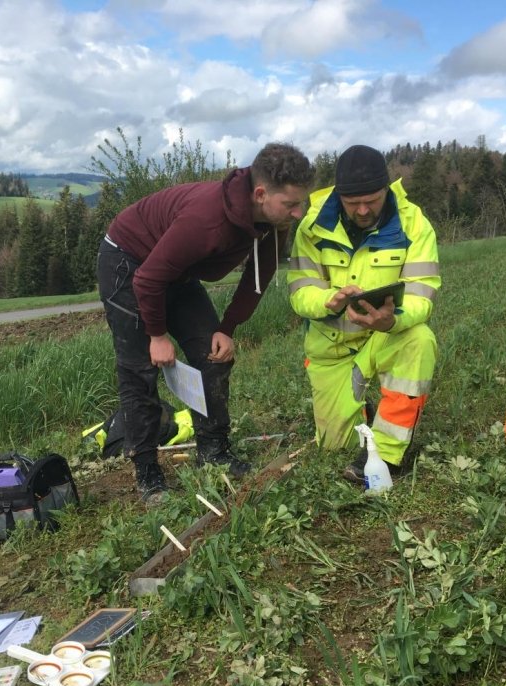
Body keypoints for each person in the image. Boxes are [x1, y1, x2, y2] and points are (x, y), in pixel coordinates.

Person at [97, 142, 314, 504]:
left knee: (213, 354)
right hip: (129, 261)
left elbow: (259, 276)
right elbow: (148, 279)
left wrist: (226, 328)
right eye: (290, 204)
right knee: (140, 370)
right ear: (260, 194)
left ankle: (214, 452)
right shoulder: (208, 220)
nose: (298, 213)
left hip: (175, 271)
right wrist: (157, 334)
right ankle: (148, 472)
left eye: (301, 203)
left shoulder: (271, 220)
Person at [286, 144, 440, 482]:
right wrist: (329, 299)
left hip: (385, 336)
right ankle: (367, 414)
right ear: (339, 195)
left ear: (386, 188)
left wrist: (393, 319)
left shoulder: (414, 223)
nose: (363, 210)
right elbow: (300, 293)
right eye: (353, 203)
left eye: (371, 199)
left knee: (419, 339)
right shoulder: (311, 227)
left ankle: (387, 452)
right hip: (333, 349)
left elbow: (421, 293)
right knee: (333, 444)